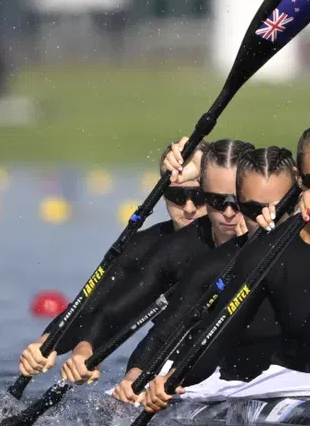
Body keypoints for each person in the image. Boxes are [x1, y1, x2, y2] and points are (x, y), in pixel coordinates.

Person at [140, 124, 310, 413]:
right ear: (297, 178)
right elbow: (221, 334)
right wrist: (174, 379)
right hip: (284, 387)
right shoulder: (266, 251)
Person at [56, 138, 255, 384]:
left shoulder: (281, 230)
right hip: (191, 367)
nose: (227, 212)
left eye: (236, 202)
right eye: (215, 200)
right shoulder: (175, 248)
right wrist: (87, 352)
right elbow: (118, 313)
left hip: (268, 369)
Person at [110, 146, 296, 403]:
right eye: (219, 203)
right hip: (218, 376)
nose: (230, 213)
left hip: (292, 376)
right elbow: (164, 331)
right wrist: (135, 377)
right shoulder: (207, 263)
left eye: (272, 208)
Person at [17, 138, 209, 377]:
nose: (189, 207)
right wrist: (57, 346)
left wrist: (204, 161)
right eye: (178, 196)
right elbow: (96, 307)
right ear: (162, 194)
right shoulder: (147, 245)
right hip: (173, 361)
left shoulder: (239, 227)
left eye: (199, 195)